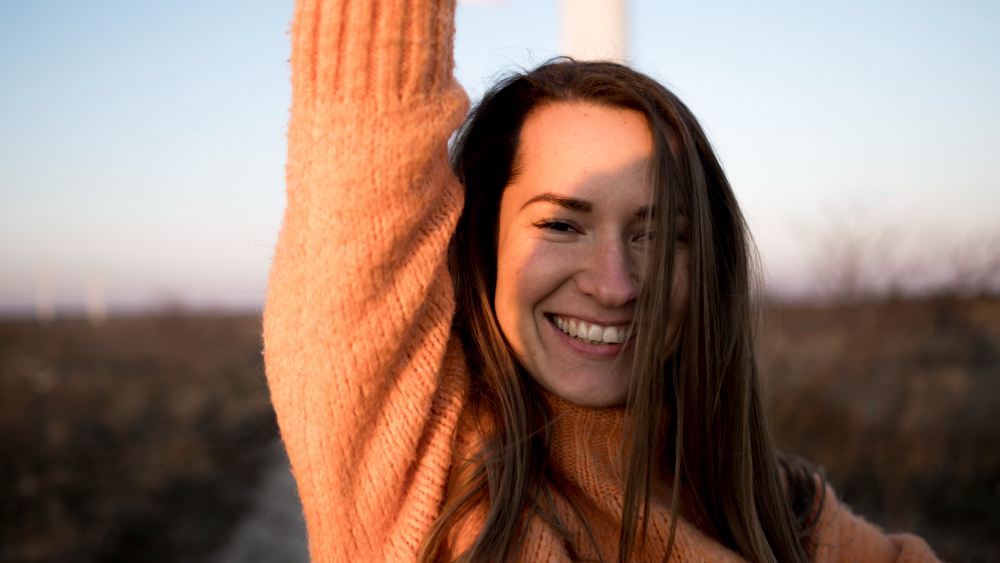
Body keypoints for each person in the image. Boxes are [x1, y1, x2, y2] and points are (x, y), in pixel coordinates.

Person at [263, 0, 941, 561]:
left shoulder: (778, 507)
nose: (615, 285)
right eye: (562, 225)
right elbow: (365, 127)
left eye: (658, 232)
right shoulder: (430, 481)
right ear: (482, 243)